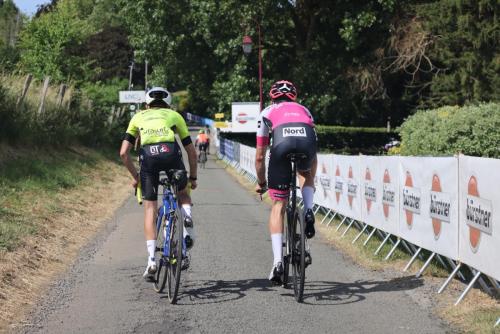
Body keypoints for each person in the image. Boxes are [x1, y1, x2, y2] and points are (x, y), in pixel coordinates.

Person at [119, 87, 198, 280]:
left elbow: (123, 153)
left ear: (147, 104)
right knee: (183, 194)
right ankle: (186, 216)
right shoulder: (174, 115)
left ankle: (151, 261)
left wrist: (136, 176)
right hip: (171, 154)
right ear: (168, 104)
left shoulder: (138, 117)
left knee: (150, 210)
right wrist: (193, 178)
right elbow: (191, 151)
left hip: (149, 158)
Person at [254, 80, 317, 285]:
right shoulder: (304, 109)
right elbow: (314, 141)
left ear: (273, 96)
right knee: (306, 171)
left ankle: (278, 262)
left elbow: (260, 156)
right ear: (294, 96)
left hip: (281, 146)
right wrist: (309, 178)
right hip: (307, 143)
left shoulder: (266, 112)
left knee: (278, 206)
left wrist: (261, 182)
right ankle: (308, 208)